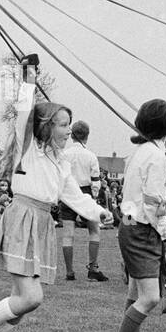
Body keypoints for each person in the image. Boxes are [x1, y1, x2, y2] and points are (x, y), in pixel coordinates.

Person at [0, 55, 112, 332]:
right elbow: (23, 115)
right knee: (31, 297)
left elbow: (73, 194)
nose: (67, 131)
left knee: (20, 304)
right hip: (23, 219)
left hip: (43, 224)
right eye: (62, 125)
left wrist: (98, 212)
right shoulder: (28, 149)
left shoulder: (62, 161)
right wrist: (29, 79)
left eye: (69, 126)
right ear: (45, 127)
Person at [106, 99, 166, 332]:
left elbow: (136, 198)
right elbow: (152, 202)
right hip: (142, 229)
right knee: (150, 297)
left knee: (135, 291)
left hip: (130, 225)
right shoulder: (156, 156)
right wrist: (164, 231)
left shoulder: (138, 152)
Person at [58, 120, 110, 282]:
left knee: (68, 234)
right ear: (87, 136)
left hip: (67, 195)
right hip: (85, 192)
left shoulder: (64, 154)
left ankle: (69, 272)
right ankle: (92, 269)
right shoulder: (90, 156)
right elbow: (95, 182)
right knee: (94, 231)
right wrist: (93, 199)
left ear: (72, 135)